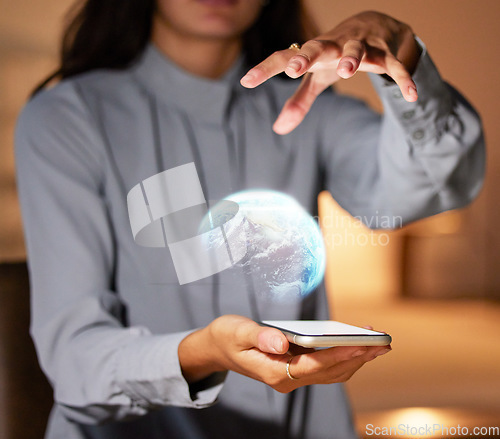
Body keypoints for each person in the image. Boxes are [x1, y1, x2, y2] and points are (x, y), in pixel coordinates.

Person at [15, 0, 484, 438]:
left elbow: (430, 188)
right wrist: (200, 354)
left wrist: (402, 54)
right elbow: (75, 356)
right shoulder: (69, 117)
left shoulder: (308, 108)